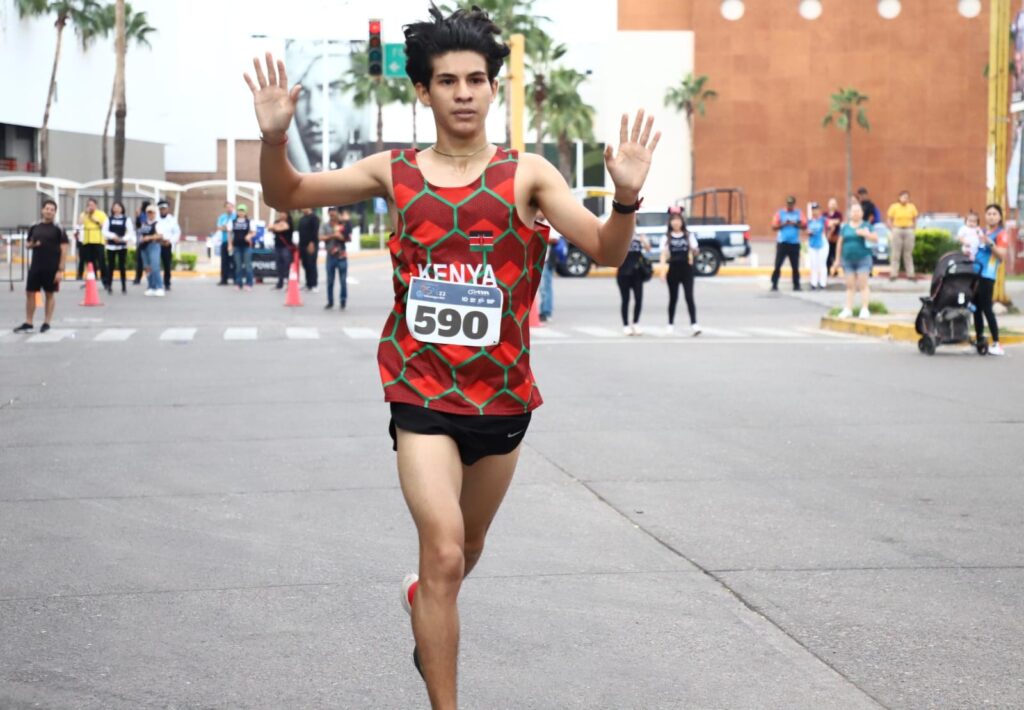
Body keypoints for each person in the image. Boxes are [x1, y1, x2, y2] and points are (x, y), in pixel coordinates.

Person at [245, 5, 659, 706]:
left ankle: (423, 602)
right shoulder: (395, 171)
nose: (463, 92)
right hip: (421, 392)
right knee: (441, 550)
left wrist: (624, 199)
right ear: (424, 91)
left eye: (475, 79)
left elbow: (604, 249)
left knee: (463, 554)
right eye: (447, 81)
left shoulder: (527, 175)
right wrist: (275, 136)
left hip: (502, 400)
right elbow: (286, 193)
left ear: (494, 87)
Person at [14, 199, 69, 334]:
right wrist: (32, 244)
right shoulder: (34, 226)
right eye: (47, 208)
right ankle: (29, 322)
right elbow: (27, 244)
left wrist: (60, 270)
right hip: (36, 266)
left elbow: (64, 249)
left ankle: (46, 322)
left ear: (55, 212)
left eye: (52, 209)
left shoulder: (59, 229)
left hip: (52, 267)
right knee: (30, 293)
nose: (49, 211)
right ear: (42, 210)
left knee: (49, 294)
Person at [657, 206, 700, 335]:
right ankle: (670, 324)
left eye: (678, 220)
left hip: (687, 270)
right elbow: (663, 255)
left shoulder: (688, 235)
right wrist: (662, 271)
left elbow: (696, 250)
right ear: (670, 223)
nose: (676, 223)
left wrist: (694, 251)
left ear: (682, 222)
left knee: (689, 297)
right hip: (673, 270)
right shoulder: (666, 238)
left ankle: (694, 324)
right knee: (673, 298)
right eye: (673, 220)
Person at [831, 202, 876, 318]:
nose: (856, 213)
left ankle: (865, 309)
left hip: (863, 258)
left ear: (862, 213)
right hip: (847, 260)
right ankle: (848, 308)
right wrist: (837, 259)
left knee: (863, 285)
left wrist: (866, 234)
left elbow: (875, 239)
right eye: (853, 211)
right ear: (850, 213)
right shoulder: (845, 227)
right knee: (850, 286)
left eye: (858, 211)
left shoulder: (866, 225)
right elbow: (840, 243)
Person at [974, 204, 1009, 356]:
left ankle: (996, 343)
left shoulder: (1001, 234)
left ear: (1000, 217)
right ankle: (979, 340)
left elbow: (1001, 255)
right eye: (989, 213)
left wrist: (989, 243)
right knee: (975, 309)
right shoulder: (981, 231)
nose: (991, 216)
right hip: (974, 274)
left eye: (995, 214)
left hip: (987, 276)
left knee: (987, 308)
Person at [617, 230, 652, 335]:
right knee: (625, 300)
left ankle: (636, 323)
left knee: (638, 298)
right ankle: (626, 325)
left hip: (637, 273)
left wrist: (643, 240)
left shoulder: (639, 237)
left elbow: (648, 249)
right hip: (623, 273)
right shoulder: (620, 236)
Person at [770, 195, 805, 291]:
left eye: (791, 204)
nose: (790, 206)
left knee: (795, 266)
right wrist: (784, 224)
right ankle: (774, 284)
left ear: (794, 204)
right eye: (788, 204)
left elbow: (804, 226)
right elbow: (773, 226)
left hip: (794, 243)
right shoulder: (780, 213)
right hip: (783, 243)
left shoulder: (798, 213)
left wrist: (795, 223)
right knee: (777, 265)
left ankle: (796, 285)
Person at [320, 206, 351, 309]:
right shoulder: (325, 225)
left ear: (337, 213)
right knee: (330, 280)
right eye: (331, 212)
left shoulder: (343, 225)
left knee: (343, 280)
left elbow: (348, 238)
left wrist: (341, 236)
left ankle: (343, 301)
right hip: (330, 256)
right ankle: (330, 301)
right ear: (328, 214)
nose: (332, 214)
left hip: (342, 256)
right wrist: (333, 235)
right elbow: (320, 237)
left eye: (334, 212)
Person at [101, 201, 135, 294]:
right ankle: (109, 286)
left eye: (118, 207)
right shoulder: (109, 219)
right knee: (110, 266)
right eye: (115, 207)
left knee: (122, 266)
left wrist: (123, 239)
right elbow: (104, 231)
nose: (116, 209)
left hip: (122, 246)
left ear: (122, 208)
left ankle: (123, 286)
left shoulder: (126, 219)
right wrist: (113, 236)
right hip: (111, 245)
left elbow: (130, 232)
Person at [886, 189, 919, 280]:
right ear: (899, 198)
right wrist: (892, 228)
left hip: (908, 229)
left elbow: (915, 218)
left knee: (908, 253)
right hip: (897, 229)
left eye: (907, 197)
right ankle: (893, 274)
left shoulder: (911, 207)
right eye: (903, 197)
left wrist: (914, 227)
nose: (905, 199)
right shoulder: (894, 207)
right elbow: (889, 218)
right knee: (896, 253)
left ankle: (910, 274)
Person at [76, 197, 107, 286]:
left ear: (96, 205)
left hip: (98, 241)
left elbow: (104, 226)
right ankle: (91, 280)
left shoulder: (101, 214)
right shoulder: (84, 214)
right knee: (90, 262)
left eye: (92, 205)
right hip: (87, 241)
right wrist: (86, 214)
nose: (91, 207)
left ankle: (105, 280)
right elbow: (80, 223)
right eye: (89, 205)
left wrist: (94, 219)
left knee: (101, 261)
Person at [137, 204, 165, 296]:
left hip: (153, 245)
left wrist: (149, 237)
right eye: (148, 213)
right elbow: (141, 233)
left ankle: (159, 286)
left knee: (154, 266)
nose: (150, 215)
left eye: (152, 213)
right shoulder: (144, 223)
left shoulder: (157, 224)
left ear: (155, 213)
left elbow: (160, 235)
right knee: (147, 267)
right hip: (144, 247)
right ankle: (151, 286)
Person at [536, 209, 556, 322]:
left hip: (546, 259)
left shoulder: (550, 223)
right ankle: (543, 310)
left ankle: (546, 312)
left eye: (540, 211)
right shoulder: (537, 223)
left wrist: (540, 238)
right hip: (539, 259)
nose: (538, 214)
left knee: (545, 287)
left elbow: (555, 239)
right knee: (542, 287)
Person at [156, 200, 181, 291]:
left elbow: (177, 232)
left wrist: (170, 241)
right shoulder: (156, 218)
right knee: (155, 265)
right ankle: (156, 282)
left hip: (167, 245)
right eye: (161, 209)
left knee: (167, 265)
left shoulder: (172, 219)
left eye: (164, 209)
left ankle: (167, 283)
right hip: (157, 244)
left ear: (167, 209)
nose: (163, 210)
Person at [231, 204, 256, 291]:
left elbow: (254, 232)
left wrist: (249, 235)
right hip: (236, 246)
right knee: (238, 266)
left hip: (246, 247)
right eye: (239, 210)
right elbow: (230, 234)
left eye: (243, 211)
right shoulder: (233, 221)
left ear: (246, 212)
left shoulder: (249, 221)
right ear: (237, 212)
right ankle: (238, 283)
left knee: (248, 265)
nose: (241, 212)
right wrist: (229, 245)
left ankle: (249, 283)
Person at [270, 210, 295, 289]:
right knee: (279, 265)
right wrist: (277, 226)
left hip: (286, 247)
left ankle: (289, 283)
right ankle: (280, 283)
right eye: (281, 213)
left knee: (287, 265)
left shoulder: (290, 222)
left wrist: (276, 227)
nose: (282, 215)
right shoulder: (276, 221)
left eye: (283, 213)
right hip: (277, 246)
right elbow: (269, 228)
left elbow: (283, 228)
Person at [806, 202, 828, 290]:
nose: (815, 212)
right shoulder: (809, 221)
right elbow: (806, 230)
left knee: (822, 264)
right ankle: (813, 283)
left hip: (822, 243)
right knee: (813, 264)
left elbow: (831, 225)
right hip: (812, 243)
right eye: (813, 210)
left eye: (816, 210)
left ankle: (822, 283)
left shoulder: (823, 220)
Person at [297, 207, 320, 290]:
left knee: (311, 264)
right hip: (302, 245)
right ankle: (308, 284)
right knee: (305, 264)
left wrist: (312, 243)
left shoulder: (314, 218)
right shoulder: (302, 219)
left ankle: (314, 284)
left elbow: (315, 231)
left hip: (311, 244)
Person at [216, 201, 236, 286]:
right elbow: (219, 227)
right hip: (224, 241)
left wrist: (227, 227)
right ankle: (224, 279)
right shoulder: (222, 217)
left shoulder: (235, 216)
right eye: (227, 207)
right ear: (225, 208)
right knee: (224, 261)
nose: (229, 208)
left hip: (234, 242)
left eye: (230, 207)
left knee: (234, 261)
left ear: (233, 207)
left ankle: (236, 279)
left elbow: (233, 228)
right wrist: (227, 228)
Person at [132, 200, 150, 285]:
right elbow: (138, 225)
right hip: (141, 241)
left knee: (142, 262)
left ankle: (139, 278)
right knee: (140, 261)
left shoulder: (146, 215)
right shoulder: (143, 215)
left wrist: (138, 216)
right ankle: (138, 278)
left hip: (146, 241)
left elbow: (139, 226)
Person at [824, 197, 842, 270]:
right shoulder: (825, 213)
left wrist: (831, 222)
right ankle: (827, 269)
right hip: (826, 237)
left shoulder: (838, 214)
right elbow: (825, 222)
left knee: (834, 254)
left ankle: (835, 270)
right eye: (831, 204)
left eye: (834, 204)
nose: (832, 205)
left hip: (835, 238)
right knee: (827, 254)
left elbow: (838, 221)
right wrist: (831, 222)